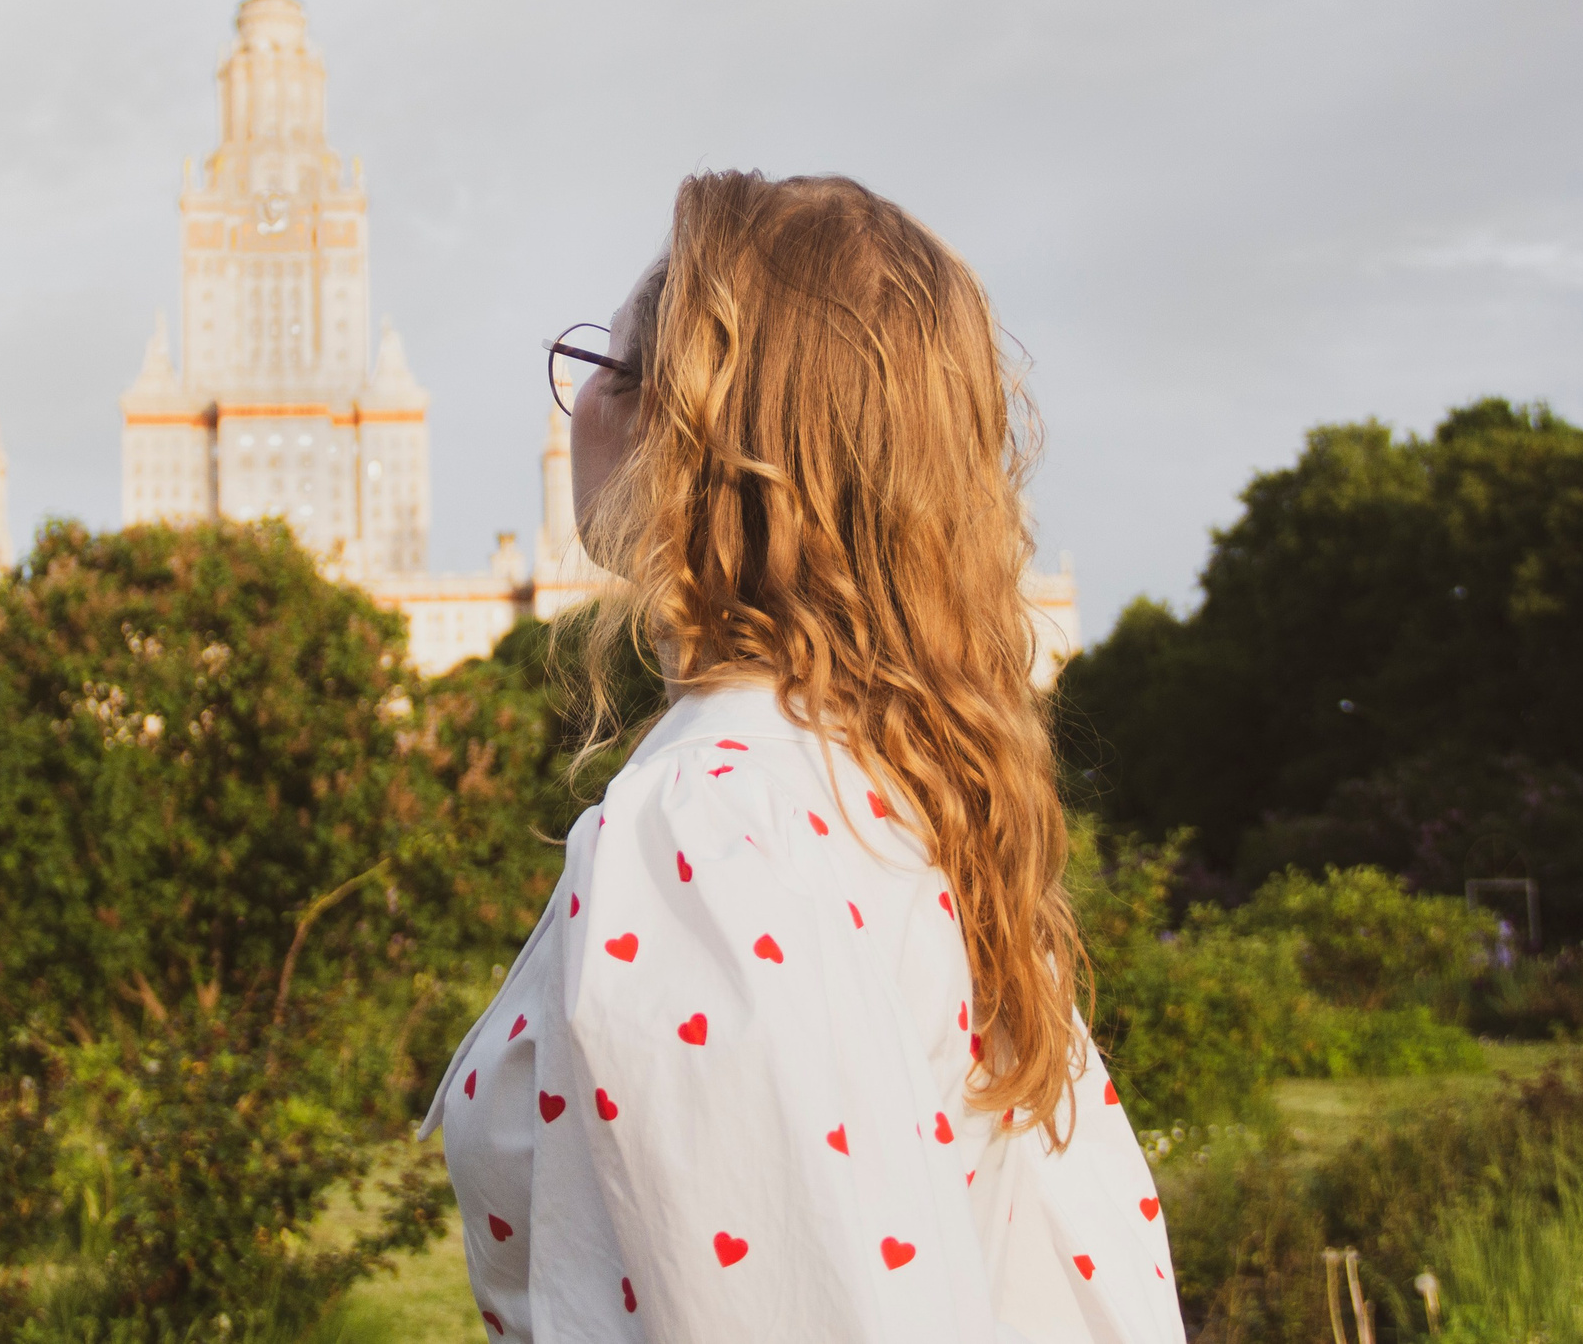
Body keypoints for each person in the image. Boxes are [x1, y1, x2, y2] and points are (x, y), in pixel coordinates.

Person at [423, 172, 1184, 1343]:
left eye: (603, 365)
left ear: (689, 430)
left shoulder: (712, 825)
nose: (578, 407)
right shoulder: (905, 784)